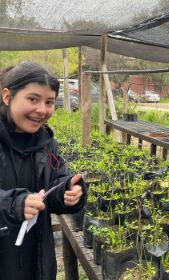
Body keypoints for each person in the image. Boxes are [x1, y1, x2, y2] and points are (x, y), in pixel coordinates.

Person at [0, 61, 87, 279]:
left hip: (38, 259)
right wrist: (14, 203)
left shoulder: (47, 144)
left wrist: (68, 193)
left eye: (49, 102)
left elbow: (54, 186)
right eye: (33, 99)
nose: (42, 110)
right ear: (7, 96)